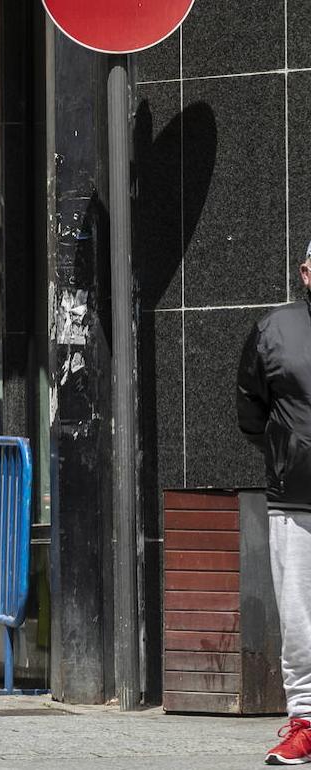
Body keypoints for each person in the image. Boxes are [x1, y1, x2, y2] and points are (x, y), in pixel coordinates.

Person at [239, 246, 311, 765]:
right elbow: (251, 407)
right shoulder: (274, 331)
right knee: (301, 623)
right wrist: (286, 451)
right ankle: (306, 722)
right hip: (298, 498)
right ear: (306, 271)